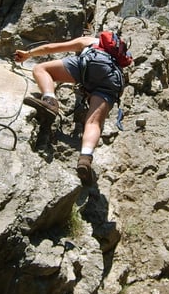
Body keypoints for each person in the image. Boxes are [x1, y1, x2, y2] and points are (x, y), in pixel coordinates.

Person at [14, 34, 128, 185]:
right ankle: (85, 159)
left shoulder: (90, 40)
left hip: (93, 64)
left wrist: (28, 54)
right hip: (113, 79)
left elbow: (51, 48)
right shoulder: (116, 61)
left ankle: (50, 102)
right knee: (93, 122)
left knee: (41, 69)